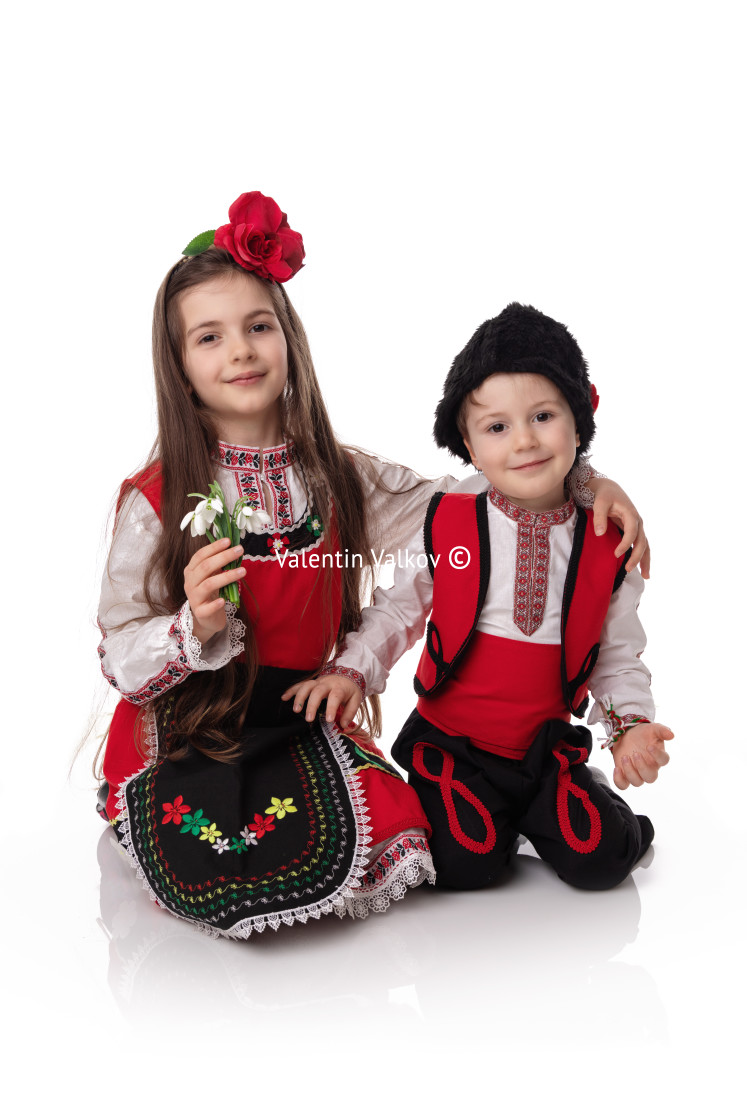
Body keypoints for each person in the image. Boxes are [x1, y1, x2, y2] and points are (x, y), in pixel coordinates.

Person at [97, 194, 648, 938]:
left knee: (401, 835)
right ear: (178, 364)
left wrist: (586, 481)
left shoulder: (336, 478)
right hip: (199, 723)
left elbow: (479, 495)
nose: (240, 351)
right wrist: (189, 627)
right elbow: (117, 645)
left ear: (288, 336)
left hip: (301, 711)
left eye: (259, 326)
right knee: (222, 863)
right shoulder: (158, 500)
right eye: (209, 337)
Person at [288, 303, 672, 892]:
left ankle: (562, 802)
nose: (523, 441)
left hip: (543, 752)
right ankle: (494, 820)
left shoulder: (607, 540)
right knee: (463, 864)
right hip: (454, 745)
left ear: (579, 418)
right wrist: (351, 672)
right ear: (466, 441)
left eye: (543, 415)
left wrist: (632, 728)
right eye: (497, 427)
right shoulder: (451, 517)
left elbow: (617, 656)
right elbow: (400, 608)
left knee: (603, 859)